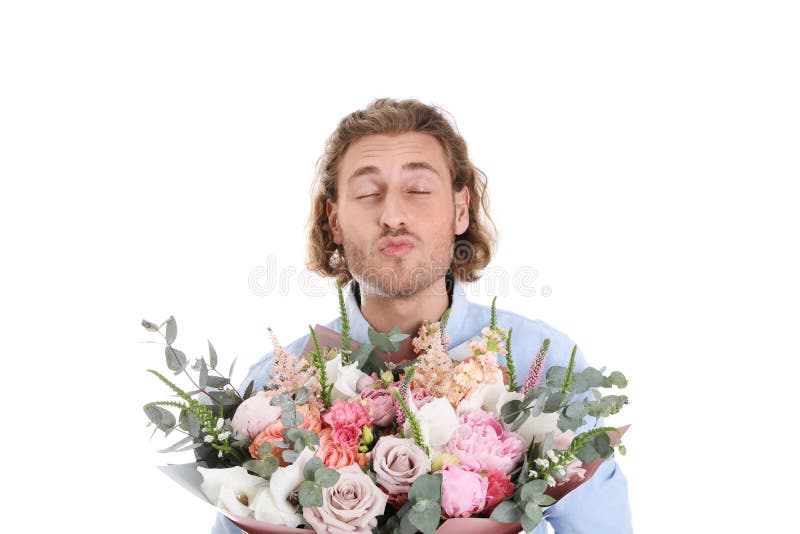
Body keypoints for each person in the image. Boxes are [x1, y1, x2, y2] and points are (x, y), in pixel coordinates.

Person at [213, 98, 632, 533]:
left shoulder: (544, 364)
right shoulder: (274, 391)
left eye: (418, 190)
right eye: (368, 193)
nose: (393, 216)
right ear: (334, 221)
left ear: (461, 209)